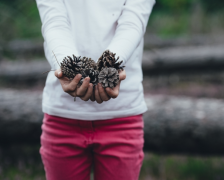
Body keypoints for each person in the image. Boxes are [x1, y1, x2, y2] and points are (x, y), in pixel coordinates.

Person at [36, 0, 155, 179]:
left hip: (122, 116)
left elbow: (133, 22)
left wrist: (110, 65)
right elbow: (54, 22)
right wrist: (68, 67)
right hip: (62, 118)